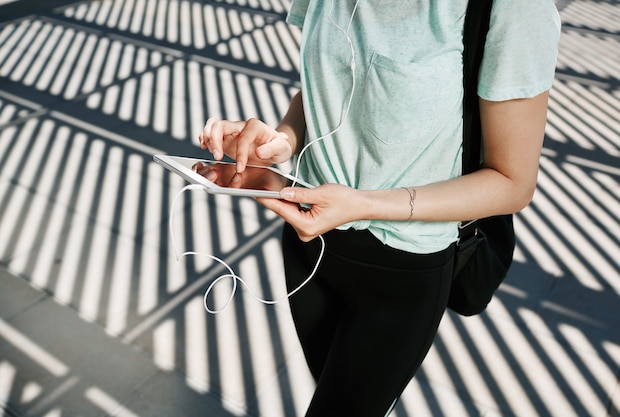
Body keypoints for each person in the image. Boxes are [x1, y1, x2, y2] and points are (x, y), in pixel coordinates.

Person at [197, 1, 561, 415]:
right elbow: (326, 86)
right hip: (308, 246)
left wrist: (363, 205)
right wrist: (280, 141)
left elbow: (512, 182)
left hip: (402, 268)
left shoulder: (514, 10)